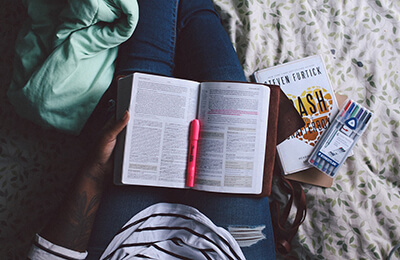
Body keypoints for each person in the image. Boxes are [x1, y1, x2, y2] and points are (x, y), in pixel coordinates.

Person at [28, 0, 276, 259]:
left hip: (124, 246)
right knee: (220, 73)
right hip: (228, 250)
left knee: (145, 73)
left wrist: (96, 169)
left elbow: (53, 253)